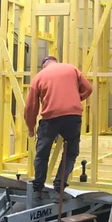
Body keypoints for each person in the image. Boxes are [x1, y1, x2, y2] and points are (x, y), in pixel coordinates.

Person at [24, 56, 92, 201]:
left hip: (50, 118)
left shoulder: (39, 77)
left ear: (44, 65)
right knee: (70, 154)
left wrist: (30, 127)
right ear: (56, 62)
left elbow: (31, 107)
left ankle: (37, 188)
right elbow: (88, 88)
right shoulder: (72, 69)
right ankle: (58, 189)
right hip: (73, 116)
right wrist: (75, 98)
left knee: (42, 154)